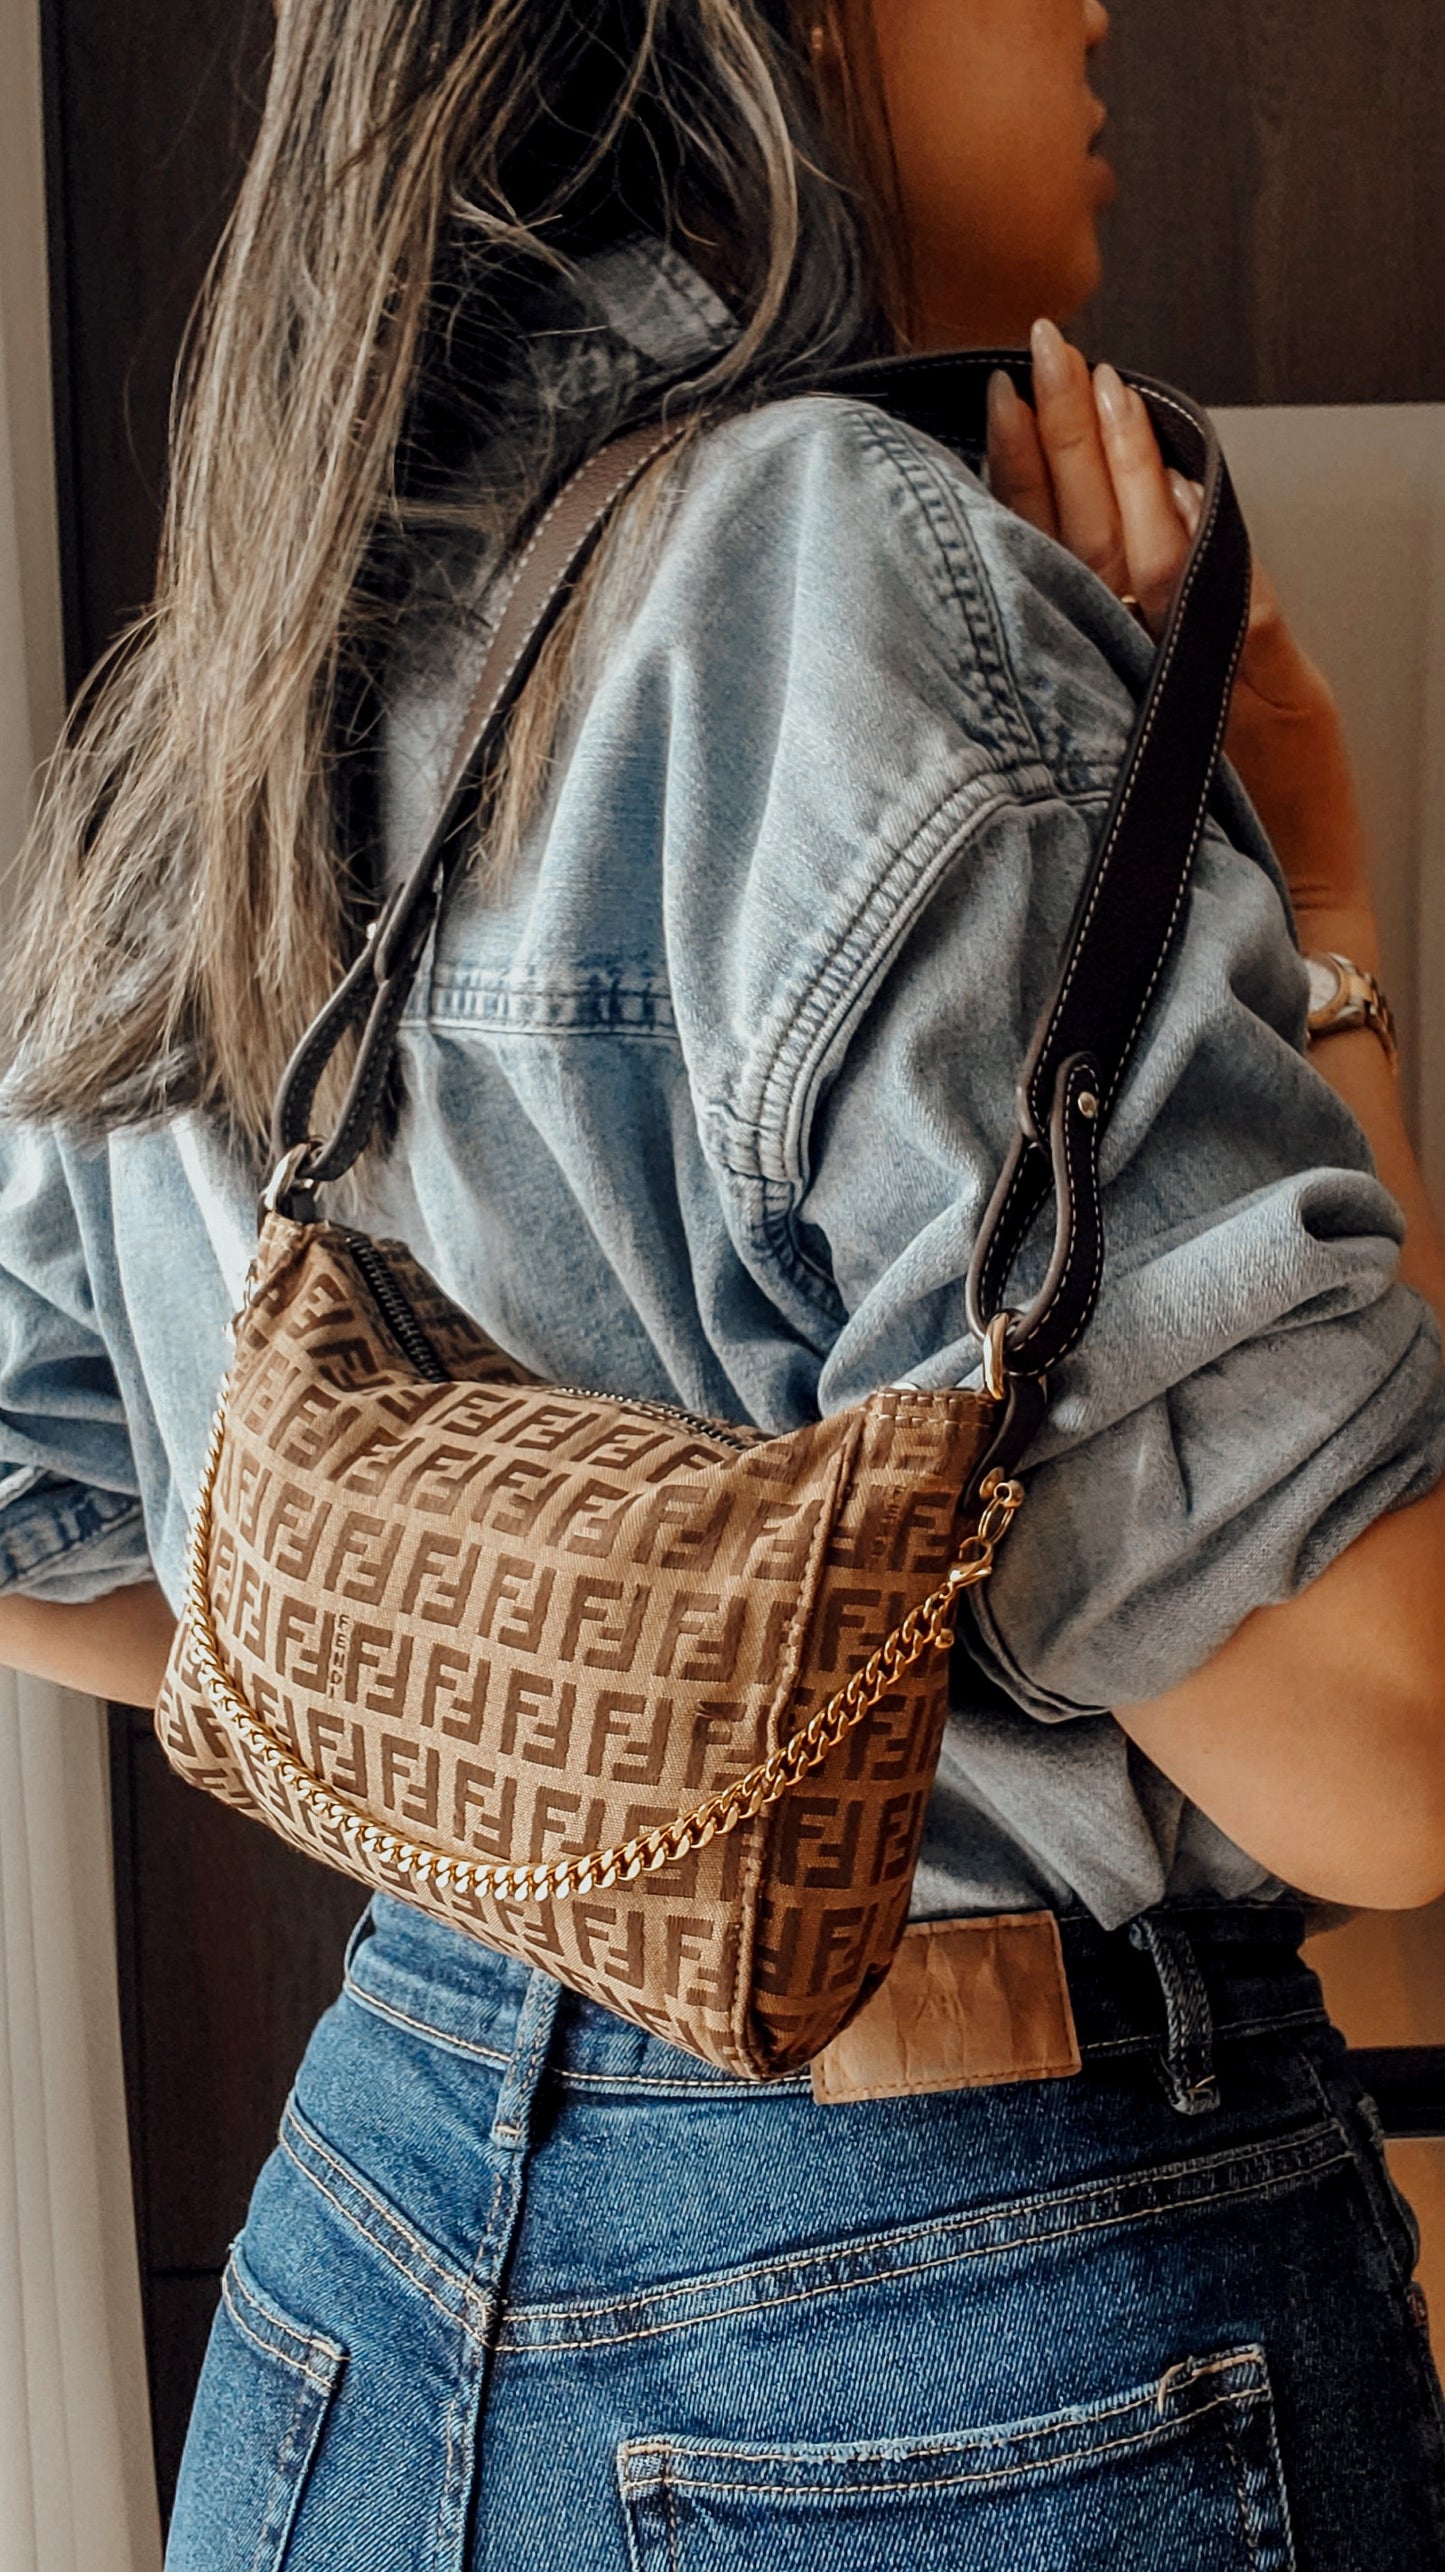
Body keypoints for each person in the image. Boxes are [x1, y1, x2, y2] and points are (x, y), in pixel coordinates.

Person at [3, 0, 1444, 2560]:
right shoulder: (839, 575)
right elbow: (1387, 1748)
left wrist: (518, 1725)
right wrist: (1316, 902)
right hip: (961, 2333)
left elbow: (46, 1510)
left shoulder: (243, 661)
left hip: (349, 2277)